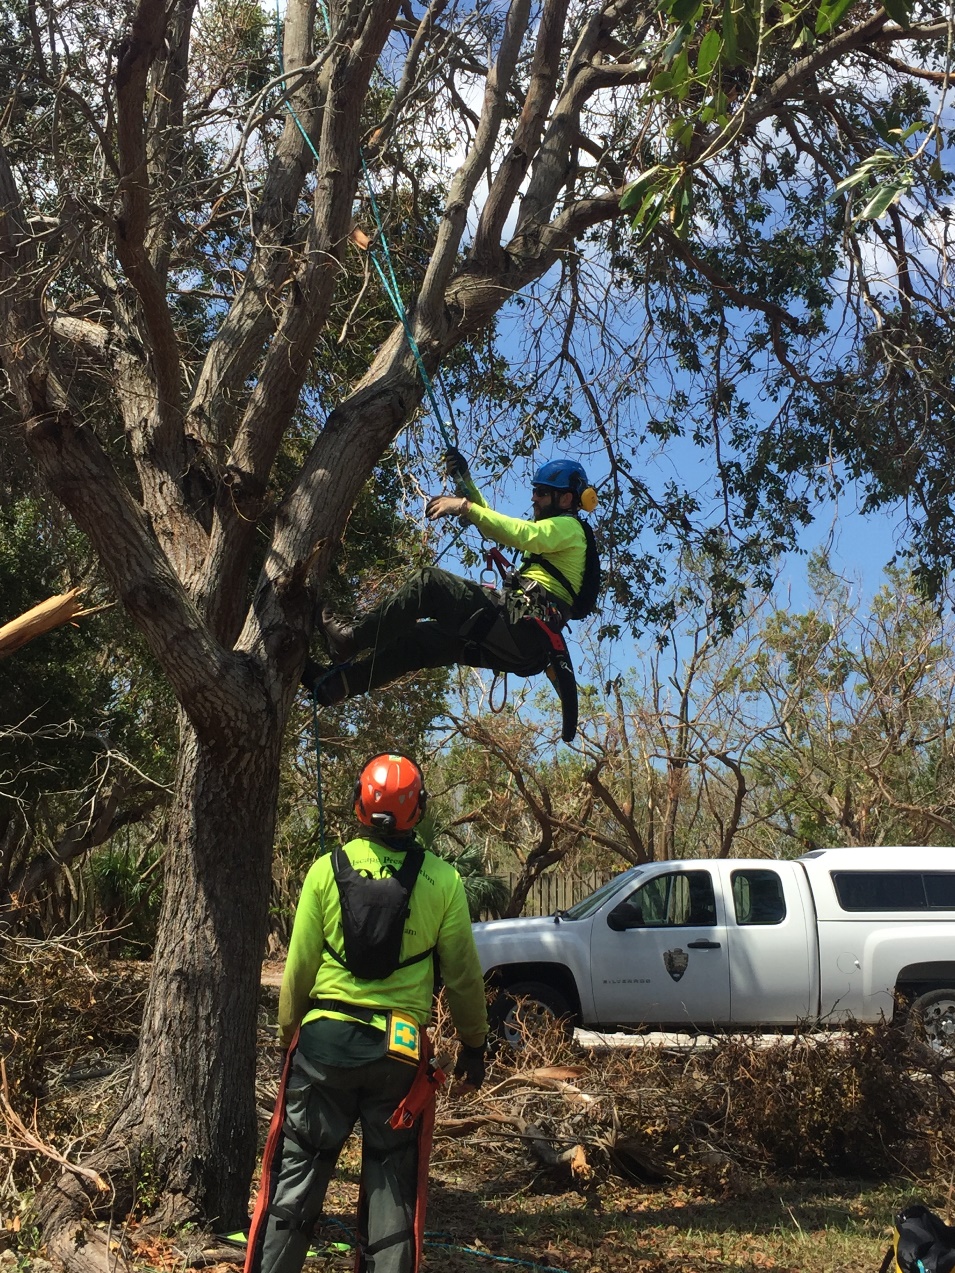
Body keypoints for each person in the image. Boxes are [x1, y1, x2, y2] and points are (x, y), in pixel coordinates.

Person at [244, 754, 488, 1273]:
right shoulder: (443, 881)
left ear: (358, 804)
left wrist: (295, 1036)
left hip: (322, 1047)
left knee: (295, 1180)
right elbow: (464, 975)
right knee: (393, 1189)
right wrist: (474, 1045)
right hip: (398, 1057)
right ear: (417, 810)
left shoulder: (324, 871)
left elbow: (298, 973)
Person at [303, 454, 599, 708]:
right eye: (535, 492)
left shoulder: (569, 528)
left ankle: (350, 640)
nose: (534, 498)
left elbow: (522, 534)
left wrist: (463, 506)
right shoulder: (553, 537)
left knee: (429, 583)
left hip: (522, 625)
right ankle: (336, 686)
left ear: (566, 499)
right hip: (518, 641)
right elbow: (498, 526)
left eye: (542, 494)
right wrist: (465, 483)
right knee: (417, 643)